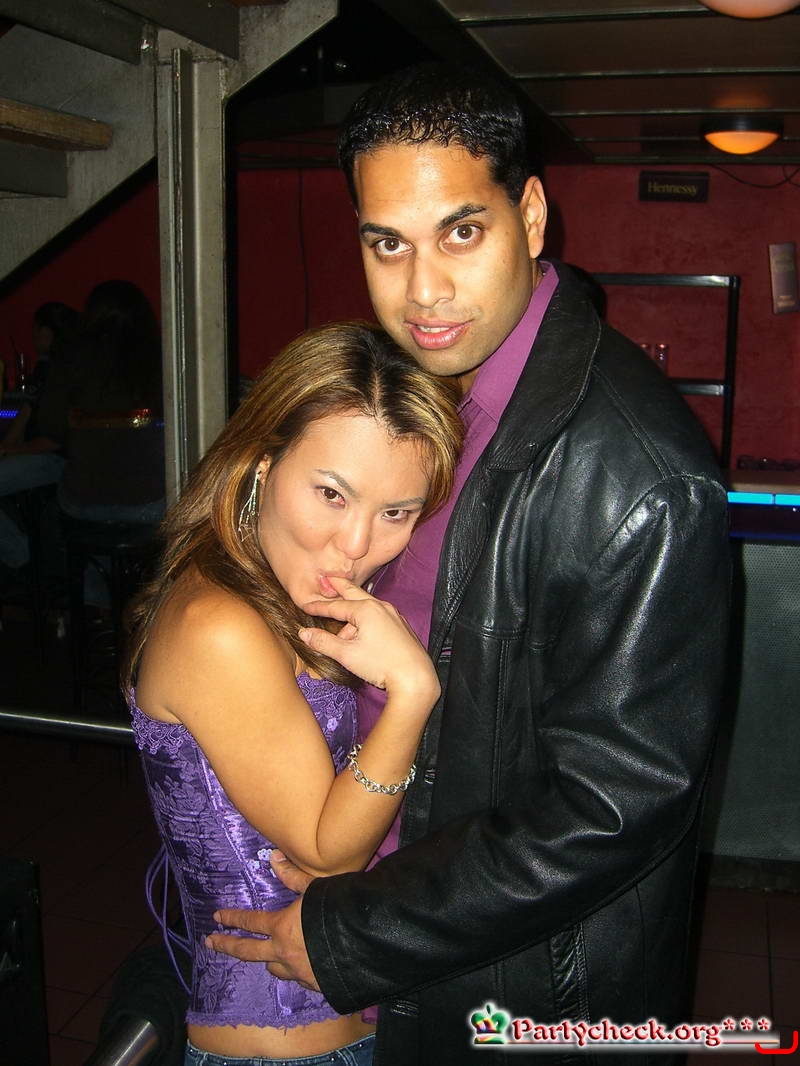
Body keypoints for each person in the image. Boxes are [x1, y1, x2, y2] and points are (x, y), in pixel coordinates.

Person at [207, 63, 731, 1064]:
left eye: (459, 232)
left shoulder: (636, 476)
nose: (423, 291)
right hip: (390, 922)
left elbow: (607, 808)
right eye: (386, 244)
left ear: (529, 217)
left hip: (515, 990)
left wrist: (362, 928)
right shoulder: (435, 390)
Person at [123, 321, 462, 1065]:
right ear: (261, 464)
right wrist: (411, 692)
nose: (357, 545)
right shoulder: (218, 625)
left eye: (396, 512)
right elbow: (326, 850)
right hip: (284, 1048)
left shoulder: (288, 598)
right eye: (332, 494)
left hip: (349, 1024)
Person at [0, 302, 78, 573]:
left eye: (36, 330)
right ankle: (21, 555)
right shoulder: (48, 368)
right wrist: (8, 447)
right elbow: (28, 410)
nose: (33, 336)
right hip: (46, 455)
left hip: (58, 460)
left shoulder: (64, 370)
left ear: (48, 331)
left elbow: (56, 439)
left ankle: (21, 555)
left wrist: (11, 449)